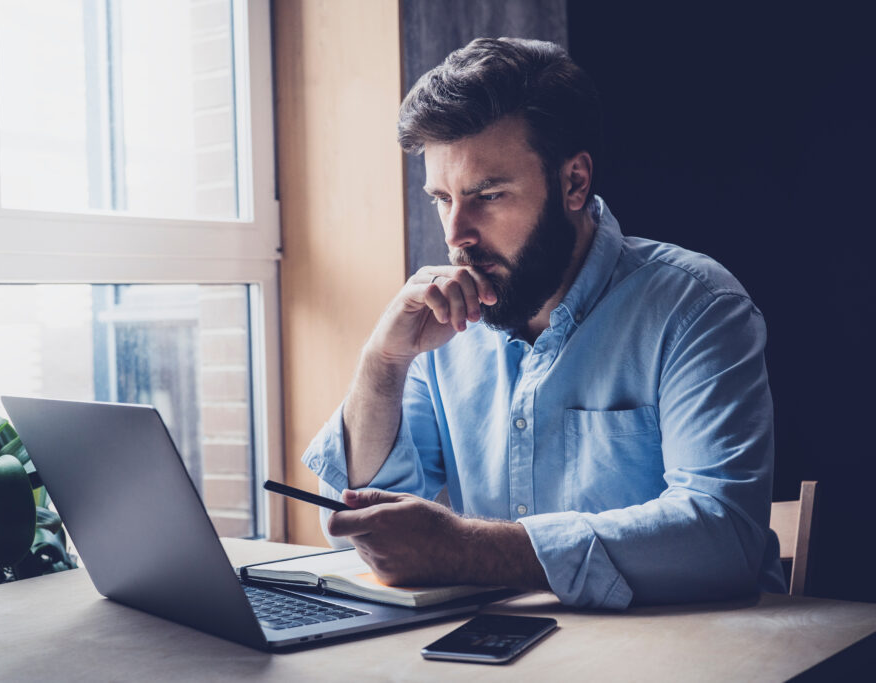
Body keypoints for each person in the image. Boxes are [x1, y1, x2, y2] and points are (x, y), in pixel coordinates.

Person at [301, 37, 786, 608]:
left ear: (574, 182)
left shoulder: (696, 307)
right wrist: (381, 364)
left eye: (488, 194)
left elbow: (720, 535)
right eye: (442, 198)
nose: (456, 234)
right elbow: (365, 528)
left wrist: (468, 550)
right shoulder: (442, 322)